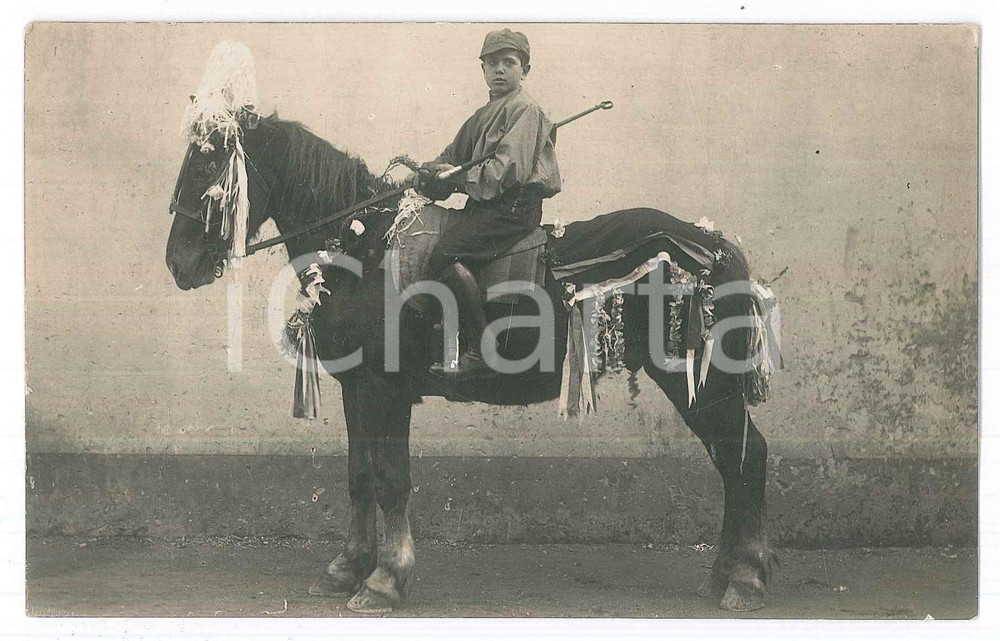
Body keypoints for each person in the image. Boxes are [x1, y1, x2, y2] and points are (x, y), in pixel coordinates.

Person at [414, 28, 562, 380]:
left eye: (509, 63)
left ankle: (481, 350)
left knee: (445, 253)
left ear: (524, 70)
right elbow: (452, 156)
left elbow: (504, 173)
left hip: (512, 210)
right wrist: (426, 174)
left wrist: (455, 178)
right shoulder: (484, 114)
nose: (499, 69)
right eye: (492, 63)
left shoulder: (526, 110)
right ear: (482, 69)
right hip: (485, 208)